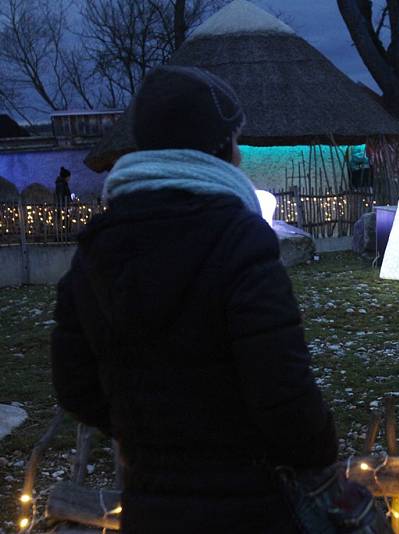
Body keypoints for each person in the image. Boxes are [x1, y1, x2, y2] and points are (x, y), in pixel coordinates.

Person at [50, 65, 337, 533]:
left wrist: (150, 437)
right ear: (219, 148)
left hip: (151, 505)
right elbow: (283, 392)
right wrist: (319, 453)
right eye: (235, 140)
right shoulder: (240, 241)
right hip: (249, 506)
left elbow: (75, 385)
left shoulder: (96, 249)